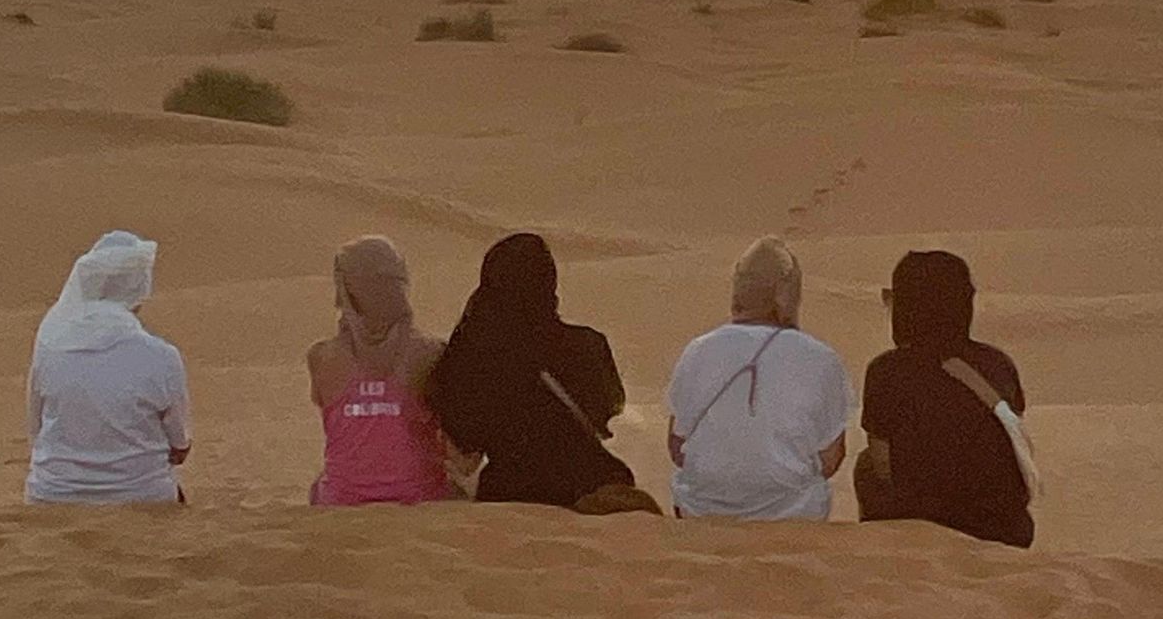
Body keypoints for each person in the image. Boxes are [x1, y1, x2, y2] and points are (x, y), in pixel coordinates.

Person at [427, 232, 643, 510]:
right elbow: (609, 408)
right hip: (591, 486)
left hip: (508, 493)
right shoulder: (588, 344)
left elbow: (465, 441)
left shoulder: (467, 358)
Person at [666, 237, 854, 522]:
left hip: (701, 510)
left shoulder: (698, 350)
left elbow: (677, 448)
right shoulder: (820, 357)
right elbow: (831, 459)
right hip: (793, 514)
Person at [857, 249, 1035, 547]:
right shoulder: (998, 364)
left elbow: (881, 462)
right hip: (1002, 527)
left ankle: (886, 549)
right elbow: (1009, 442)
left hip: (921, 526)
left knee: (864, 467)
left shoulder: (886, 371)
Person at [26, 231, 191, 505]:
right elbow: (180, 447)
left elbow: (35, 426)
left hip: (51, 493)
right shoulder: (162, 356)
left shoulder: (49, 347)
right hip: (142, 496)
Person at [307, 236, 453, 506]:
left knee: (321, 483)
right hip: (420, 495)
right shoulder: (431, 353)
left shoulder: (321, 357)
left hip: (342, 498)